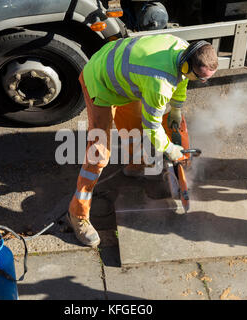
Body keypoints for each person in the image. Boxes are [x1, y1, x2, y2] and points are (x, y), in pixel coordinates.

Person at [67, 34, 218, 247]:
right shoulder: (160, 83)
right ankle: (77, 214)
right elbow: (153, 128)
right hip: (99, 82)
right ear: (186, 65)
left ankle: (135, 166)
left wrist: (176, 108)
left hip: (125, 78)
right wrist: (170, 149)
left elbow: (182, 81)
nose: (201, 82)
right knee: (99, 154)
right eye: (200, 78)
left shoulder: (185, 49)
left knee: (134, 128)